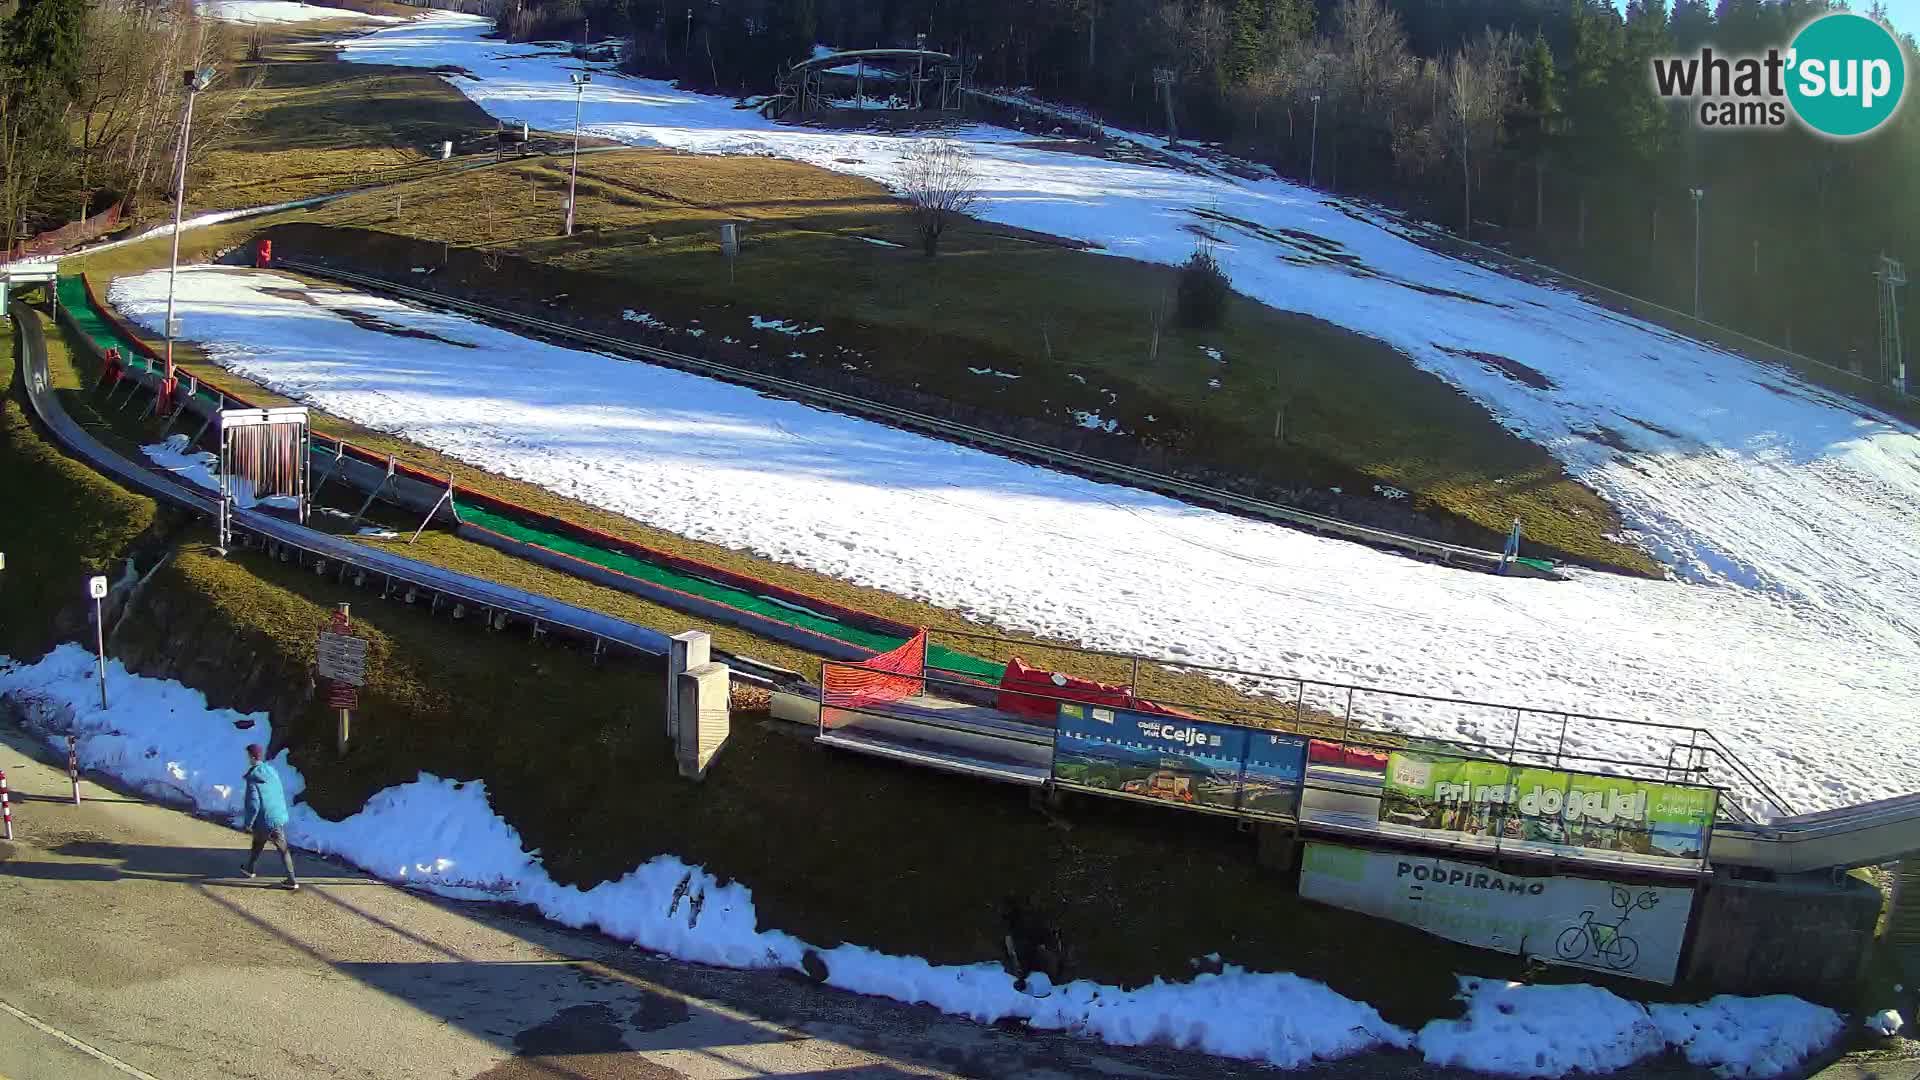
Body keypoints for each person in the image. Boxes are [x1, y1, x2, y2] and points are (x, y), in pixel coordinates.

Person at [240, 744, 298, 890]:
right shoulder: (271, 771)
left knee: (263, 843)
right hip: (276, 815)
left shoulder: (253, 777)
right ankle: (251, 868)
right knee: (274, 846)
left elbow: (253, 804)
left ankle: (251, 869)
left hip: (264, 819)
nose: (247, 759)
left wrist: (248, 823)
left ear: (252, 757)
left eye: (248, 756)